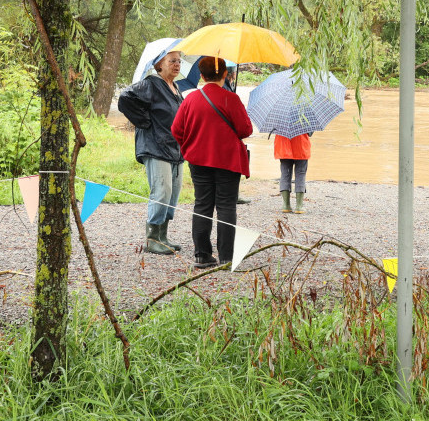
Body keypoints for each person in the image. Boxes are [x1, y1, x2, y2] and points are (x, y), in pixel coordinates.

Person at [171, 56, 254, 269]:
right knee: (226, 206)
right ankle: (226, 257)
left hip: (198, 160)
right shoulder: (231, 99)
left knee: (202, 205)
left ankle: (202, 255)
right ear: (225, 74)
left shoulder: (190, 99)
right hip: (228, 161)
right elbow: (246, 130)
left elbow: (176, 130)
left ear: (201, 75)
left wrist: (190, 146)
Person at [116, 49, 185, 256]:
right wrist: (144, 121)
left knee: (173, 193)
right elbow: (125, 97)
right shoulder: (150, 84)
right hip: (156, 146)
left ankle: (163, 236)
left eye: (179, 61)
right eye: (172, 61)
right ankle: (152, 238)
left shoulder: (176, 87)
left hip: (175, 148)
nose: (177, 64)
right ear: (159, 65)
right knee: (161, 191)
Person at [274, 132, 311, 214]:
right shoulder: (305, 118)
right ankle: (299, 206)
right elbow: (310, 132)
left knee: (285, 174)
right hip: (301, 145)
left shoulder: (279, 119)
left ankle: (286, 205)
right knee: (300, 174)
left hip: (283, 145)